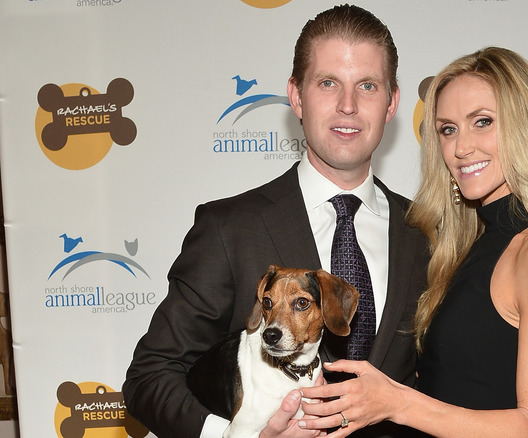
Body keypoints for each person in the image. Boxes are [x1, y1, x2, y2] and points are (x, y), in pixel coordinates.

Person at [122, 5, 429, 438]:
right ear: (297, 95)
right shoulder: (229, 228)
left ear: (392, 101)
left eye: (367, 85)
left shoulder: (426, 233)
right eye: (328, 83)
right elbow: (148, 378)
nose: (347, 105)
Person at [296, 47, 528, 437]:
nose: (460, 148)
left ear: (525, 127)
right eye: (447, 129)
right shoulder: (459, 249)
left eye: (483, 122)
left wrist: (397, 401)